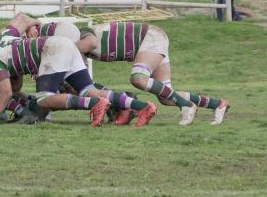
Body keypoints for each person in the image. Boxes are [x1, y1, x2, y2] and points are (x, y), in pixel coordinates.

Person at [76, 21, 229, 125]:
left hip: (150, 38)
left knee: (138, 79)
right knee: (166, 97)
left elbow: (90, 43)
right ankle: (218, 104)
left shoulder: (79, 37)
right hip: (152, 39)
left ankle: (187, 105)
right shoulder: (76, 48)